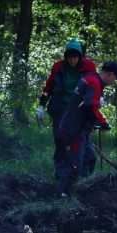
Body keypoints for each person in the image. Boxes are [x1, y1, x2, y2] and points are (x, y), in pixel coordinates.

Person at [35, 39, 97, 197]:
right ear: (65, 57)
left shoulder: (89, 66)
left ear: (80, 57)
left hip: (80, 114)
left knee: (83, 148)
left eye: (76, 57)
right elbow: (49, 87)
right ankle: (61, 183)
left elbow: (95, 85)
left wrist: (97, 102)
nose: (72, 60)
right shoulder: (58, 67)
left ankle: (81, 183)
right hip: (61, 111)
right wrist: (41, 105)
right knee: (62, 147)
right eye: (69, 57)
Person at [57, 61, 117, 195]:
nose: (113, 81)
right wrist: (102, 122)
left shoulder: (89, 79)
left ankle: (82, 189)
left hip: (81, 131)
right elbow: (89, 108)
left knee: (90, 159)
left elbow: (87, 105)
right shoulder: (94, 83)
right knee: (74, 166)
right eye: (115, 78)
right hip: (74, 131)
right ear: (111, 74)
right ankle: (65, 196)